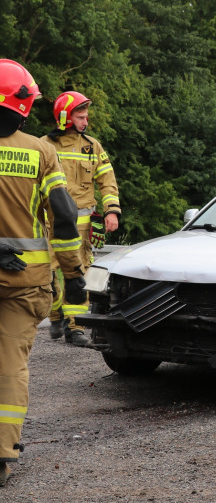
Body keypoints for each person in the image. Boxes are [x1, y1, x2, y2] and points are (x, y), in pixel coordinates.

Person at [0, 59, 86, 487]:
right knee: (11, 365)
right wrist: (72, 273)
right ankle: (1, 453)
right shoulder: (41, 150)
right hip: (25, 282)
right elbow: (66, 216)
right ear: (22, 103)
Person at [44, 91, 120, 346]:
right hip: (49, 226)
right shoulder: (44, 145)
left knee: (79, 275)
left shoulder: (92, 146)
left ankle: (75, 327)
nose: (85, 122)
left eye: (86, 117)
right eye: (80, 117)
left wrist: (111, 211)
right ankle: (56, 315)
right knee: (47, 275)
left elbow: (107, 181)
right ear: (64, 116)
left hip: (82, 227)